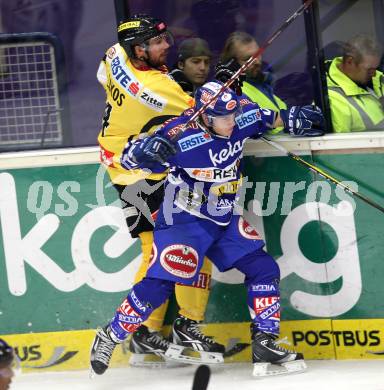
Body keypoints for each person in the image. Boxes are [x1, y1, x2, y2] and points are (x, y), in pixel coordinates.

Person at [90, 80, 324, 376]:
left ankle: (265, 343)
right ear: (204, 116)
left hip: (221, 216)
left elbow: (272, 117)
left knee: (264, 268)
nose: (232, 123)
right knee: (159, 286)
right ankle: (109, 336)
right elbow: (128, 158)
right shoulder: (179, 135)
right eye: (224, 119)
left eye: (233, 116)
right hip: (183, 219)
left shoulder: (241, 115)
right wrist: (143, 151)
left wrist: (293, 117)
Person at [97, 13, 226, 366]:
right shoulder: (159, 88)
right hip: (146, 173)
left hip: (121, 165)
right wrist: (226, 90)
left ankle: (142, 329)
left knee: (155, 249)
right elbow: (212, 117)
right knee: (186, 241)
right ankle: (184, 324)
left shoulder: (113, 56)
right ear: (138, 49)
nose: (166, 45)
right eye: (158, 43)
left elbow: (102, 77)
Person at [220, 31, 287, 133]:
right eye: (248, 58)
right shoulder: (232, 94)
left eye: (258, 55)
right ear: (233, 64)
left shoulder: (266, 83)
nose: (257, 61)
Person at [325, 34, 384, 132]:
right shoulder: (334, 98)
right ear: (349, 62)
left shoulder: (377, 78)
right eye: (369, 69)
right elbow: (340, 145)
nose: (374, 74)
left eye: (376, 68)